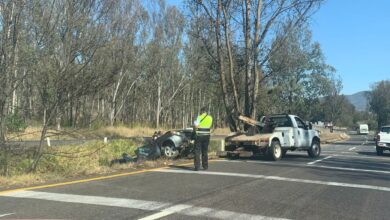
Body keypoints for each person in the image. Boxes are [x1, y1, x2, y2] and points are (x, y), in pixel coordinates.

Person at [193, 106, 213, 171]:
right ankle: (205, 166)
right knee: (205, 151)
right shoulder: (210, 118)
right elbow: (210, 126)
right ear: (206, 111)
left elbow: (196, 126)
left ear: (202, 111)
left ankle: (197, 167)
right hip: (207, 136)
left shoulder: (199, 117)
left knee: (197, 151)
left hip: (199, 136)